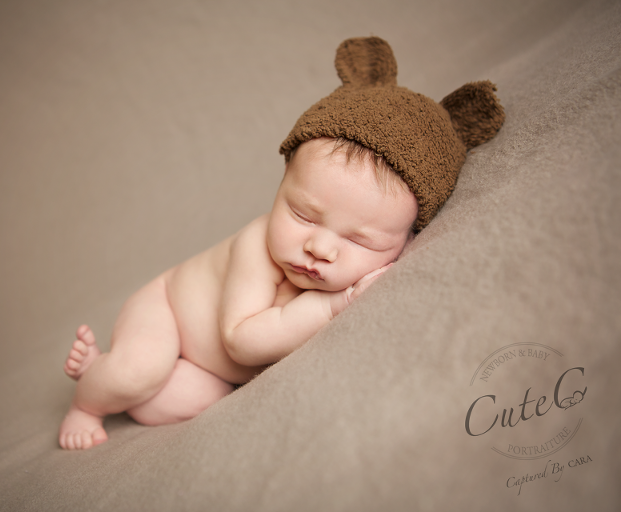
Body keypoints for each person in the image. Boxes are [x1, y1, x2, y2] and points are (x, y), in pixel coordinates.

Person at [58, 36, 505, 450]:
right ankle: (89, 397)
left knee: (181, 402)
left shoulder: (380, 256)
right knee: (138, 372)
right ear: (282, 182)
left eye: (359, 239)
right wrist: (331, 306)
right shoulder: (257, 244)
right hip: (168, 313)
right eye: (303, 214)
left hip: (207, 368)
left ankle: (104, 369)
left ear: (409, 237)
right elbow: (241, 341)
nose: (321, 248)